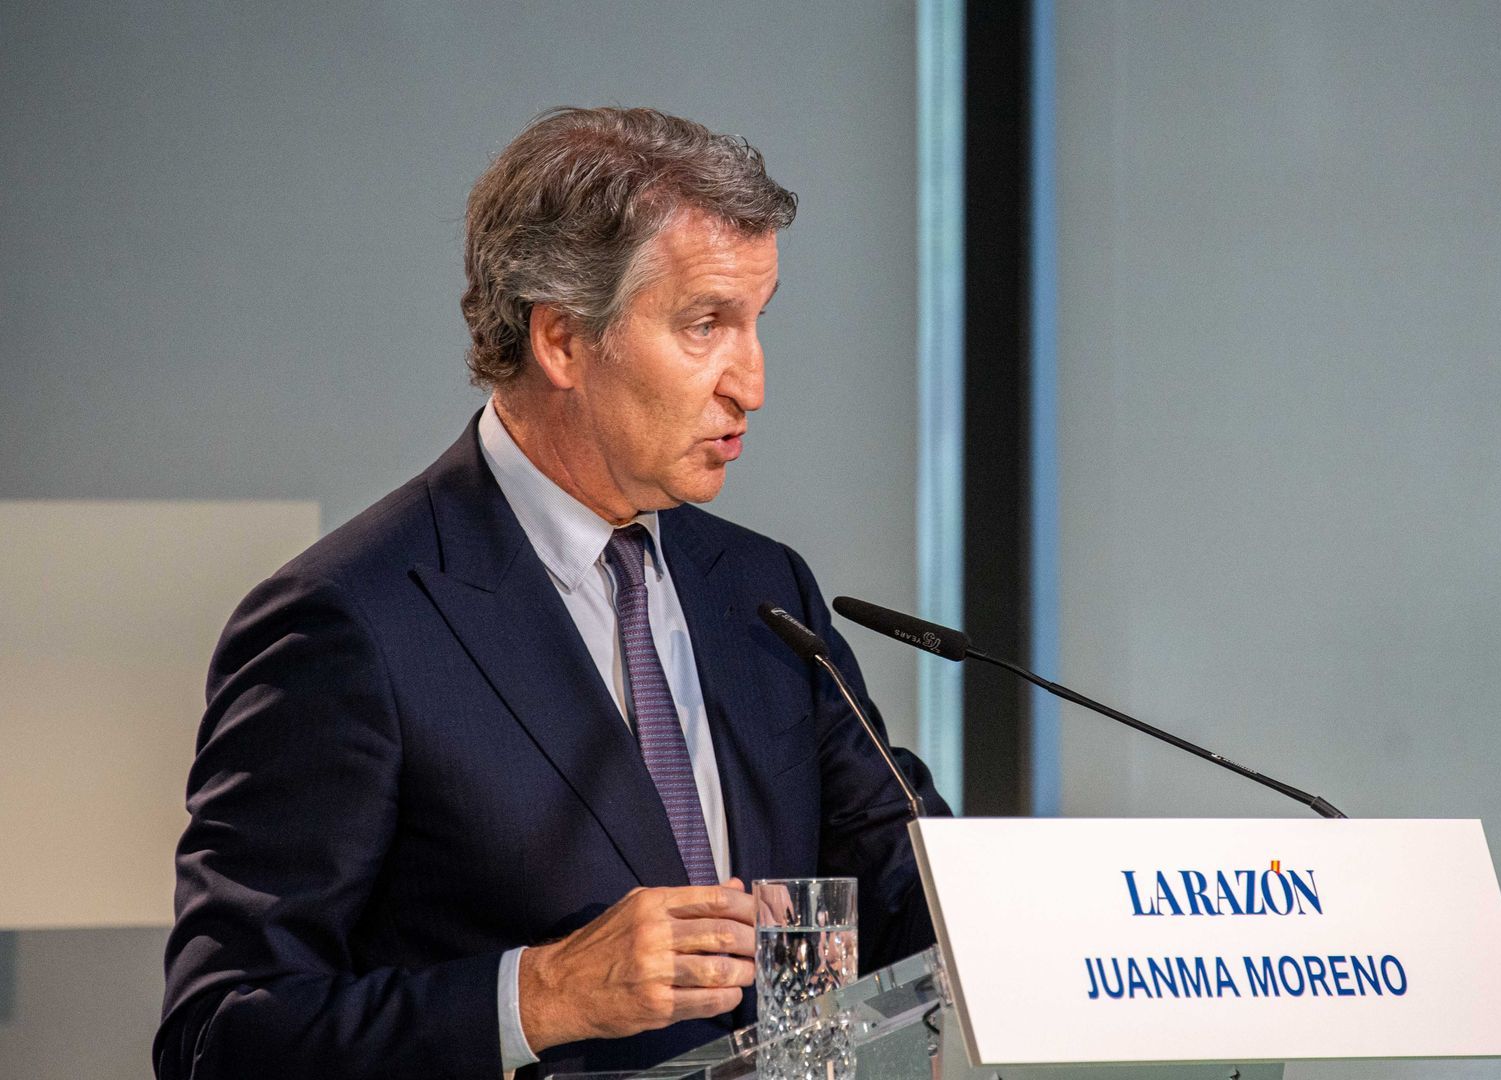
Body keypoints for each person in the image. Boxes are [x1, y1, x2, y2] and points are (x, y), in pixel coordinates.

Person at [155, 106, 948, 1080]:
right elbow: (220, 1037)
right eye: (705, 325)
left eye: (757, 321)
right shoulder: (349, 622)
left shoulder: (760, 590)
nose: (752, 384)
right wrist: (540, 994)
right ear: (563, 340)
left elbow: (907, 891)